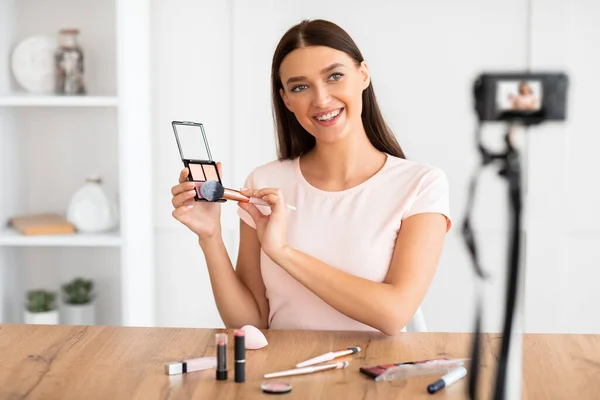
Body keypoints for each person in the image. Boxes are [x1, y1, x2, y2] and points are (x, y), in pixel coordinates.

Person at [170, 19, 451, 336]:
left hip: (377, 379)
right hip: (284, 375)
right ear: (286, 99)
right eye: (300, 87)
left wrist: (282, 252)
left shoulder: (421, 184)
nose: (321, 99)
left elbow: (394, 313)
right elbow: (251, 324)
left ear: (363, 74)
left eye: (334, 76)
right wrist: (210, 237)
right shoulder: (264, 181)